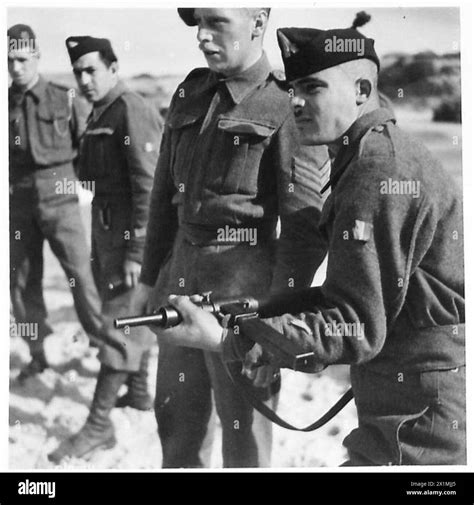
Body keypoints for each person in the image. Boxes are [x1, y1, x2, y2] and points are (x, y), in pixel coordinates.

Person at [151, 21, 465, 466]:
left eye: (312, 88)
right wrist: (257, 318)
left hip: (416, 420)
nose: (295, 102)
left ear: (360, 89)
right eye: (294, 87)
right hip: (401, 401)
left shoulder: (379, 173)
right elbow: (353, 295)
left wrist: (227, 338)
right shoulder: (372, 156)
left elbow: (354, 324)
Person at [135, 8, 327, 468]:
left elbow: (304, 231)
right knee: (177, 429)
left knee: (246, 443)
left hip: (245, 297)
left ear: (258, 23)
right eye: (197, 23)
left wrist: (274, 327)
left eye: (217, 23)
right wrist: (147, 282)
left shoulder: (285, 103)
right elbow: (163, 197)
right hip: (178, 286)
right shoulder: (189, 91)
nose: (202, 36)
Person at [48, 36, 162, 463]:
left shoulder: (131, 108)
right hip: (106, 229)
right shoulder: (99, 112)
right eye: (78, 72)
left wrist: (137, 251)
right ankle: (137, 393)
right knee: (128, 317)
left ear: (114, 67)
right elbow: (89, 175)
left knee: (120, 323)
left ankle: (98, 427)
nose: (84, 78)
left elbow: (148, 187)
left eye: (92, 69)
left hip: (128, 237)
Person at [8, 24, 106, 383]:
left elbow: (88, 149)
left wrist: (83, 188)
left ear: (35, 56)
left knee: (81, 276)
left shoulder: (64, 99)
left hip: (61, 198)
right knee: (20, 283)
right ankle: (37, 353)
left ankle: (104, 350)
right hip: (17, 202)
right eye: (9, 61)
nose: (16, 68)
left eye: (22, 59)